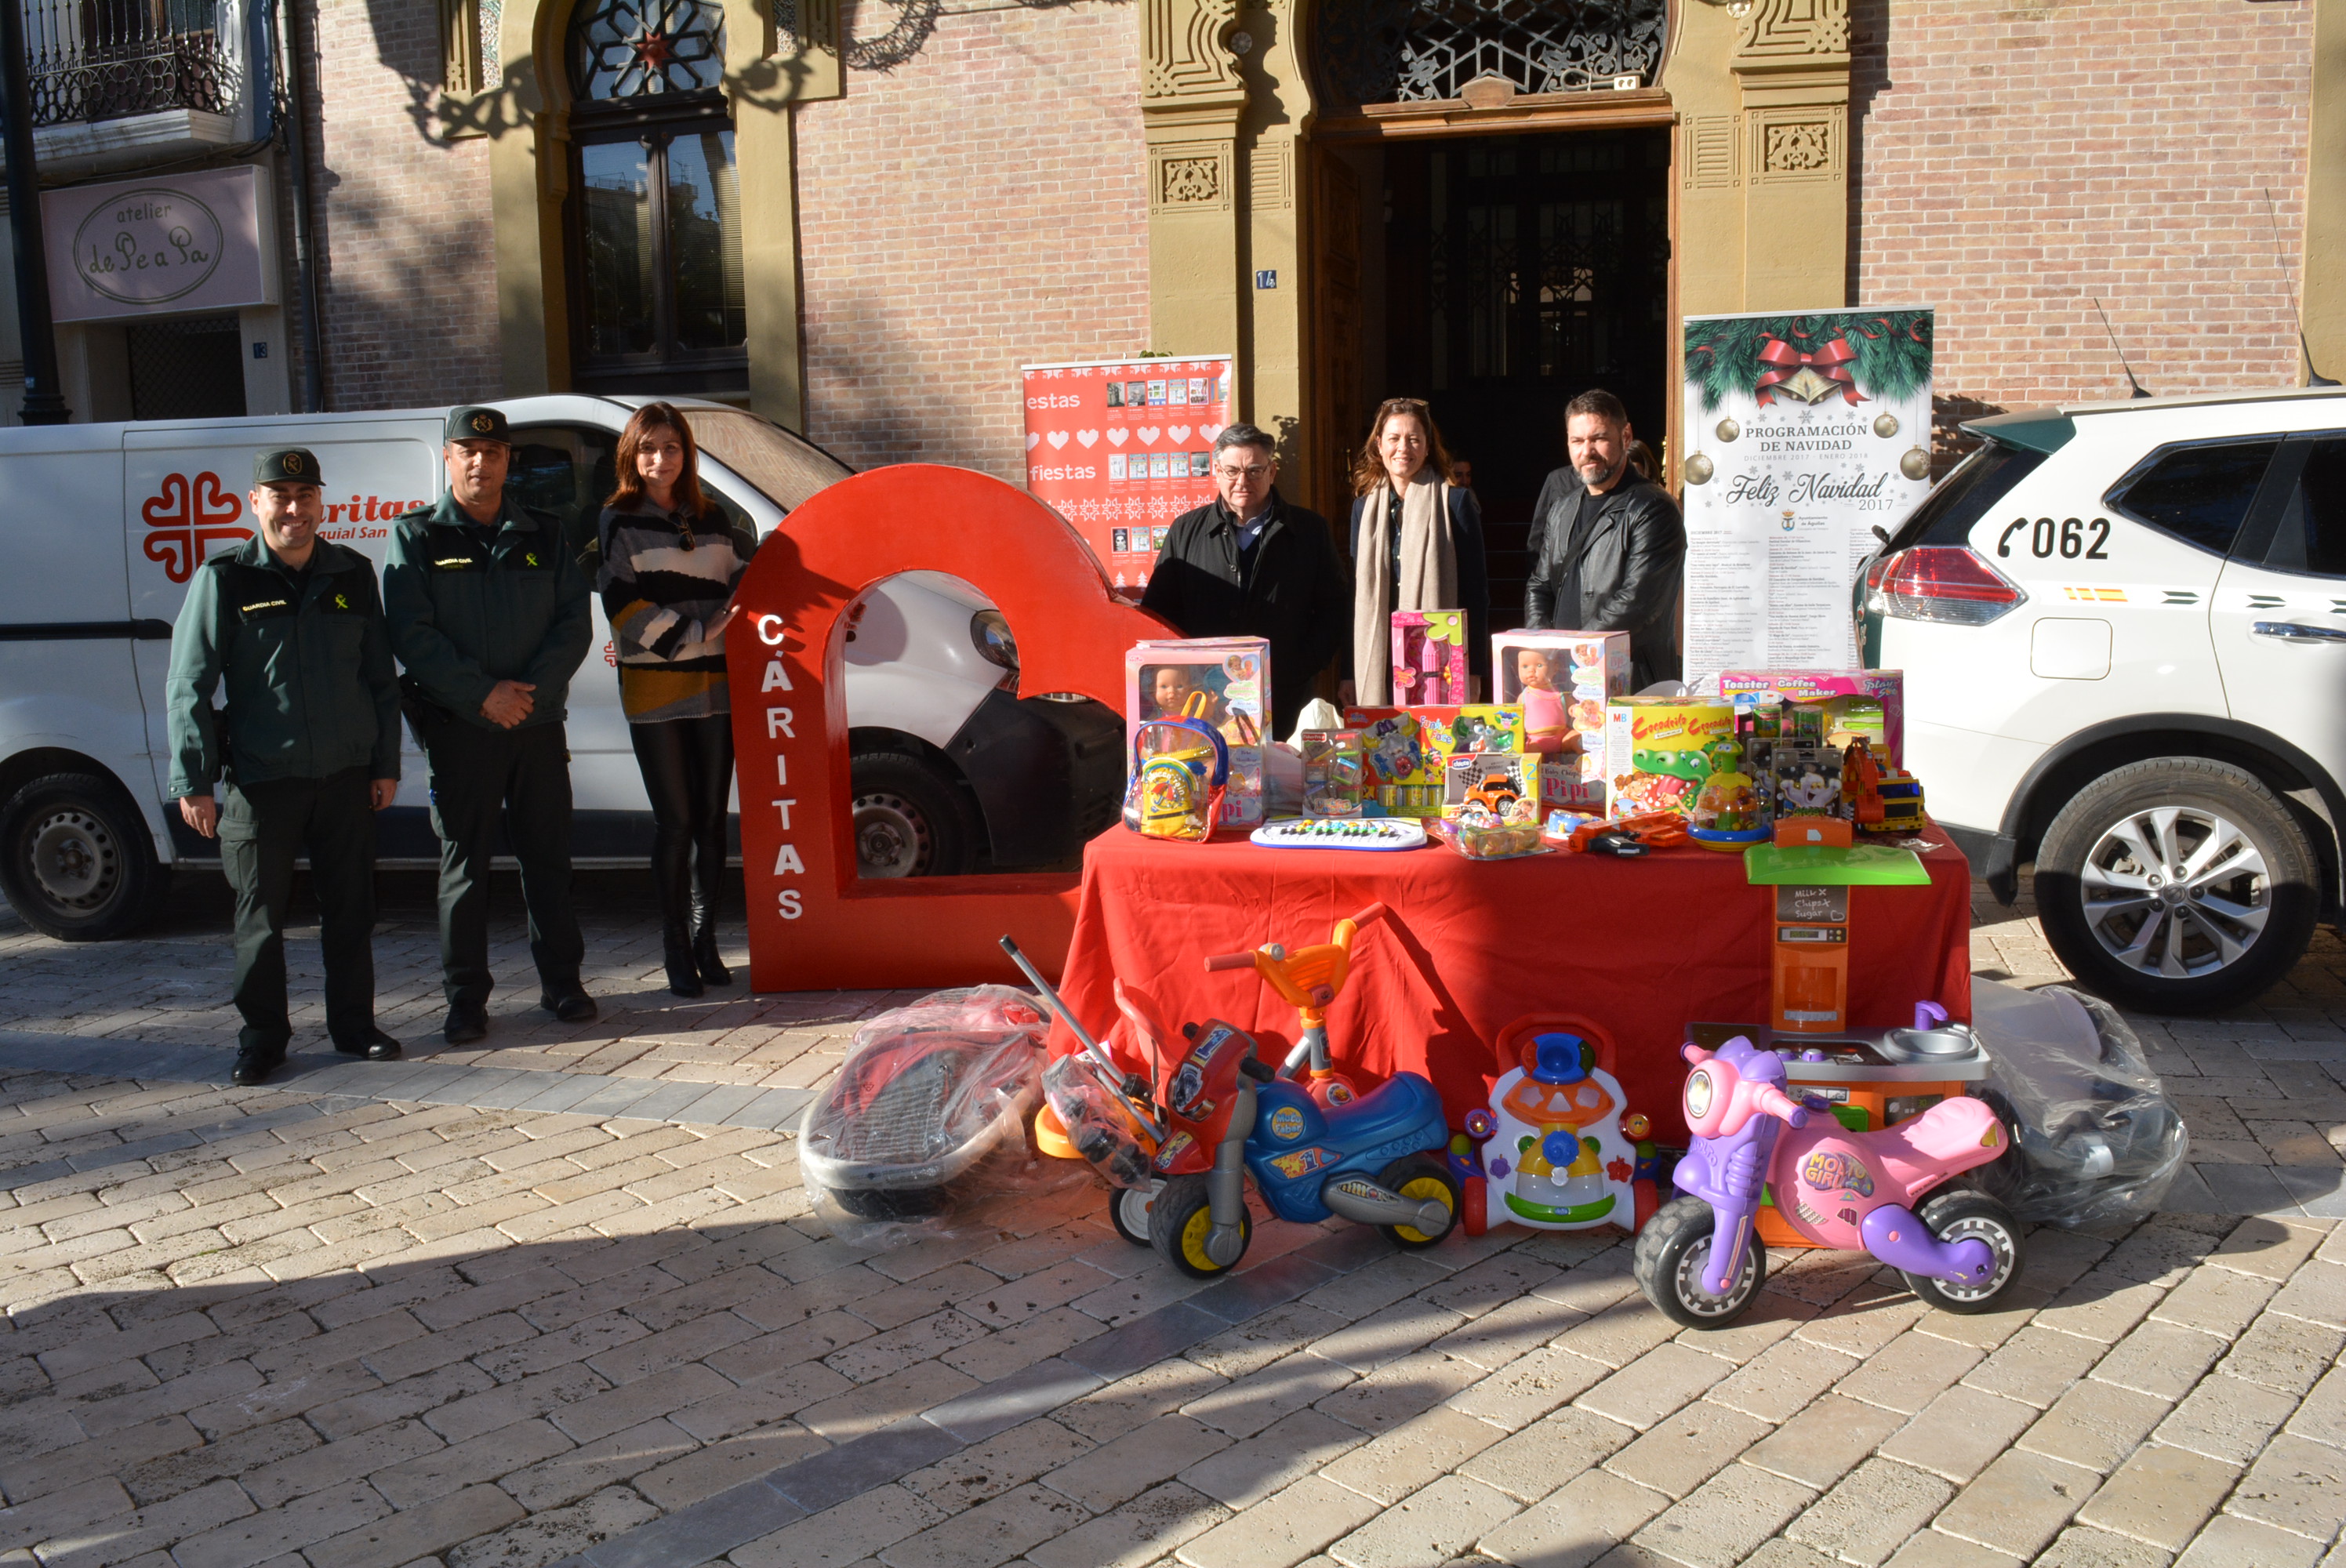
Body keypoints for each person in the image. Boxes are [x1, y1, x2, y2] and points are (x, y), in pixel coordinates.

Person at [165, 449, 403, 1085]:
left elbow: (380, 679)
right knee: (261, 919)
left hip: (345, 776)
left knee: (352, 910)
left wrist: (385, 763)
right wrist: (193, 780)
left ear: (321, 502)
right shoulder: (225, 580)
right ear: (256, 503)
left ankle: (355, 1027)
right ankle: (262, 1039)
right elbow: (189, 685)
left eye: (305, 495)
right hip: (261, 782)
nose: (294, 509)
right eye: (280, 495)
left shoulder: (353, 574)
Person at [385, 407, 596, 1044]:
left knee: (548, 861)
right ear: (448, 458)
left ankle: (563, 983)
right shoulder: (417, 536)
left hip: (535, 725)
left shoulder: (545, 533)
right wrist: (484, 696)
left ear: (508, 461)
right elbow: (411, 634)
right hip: (460, 729)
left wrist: (525, 698)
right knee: (464, 868)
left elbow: (573, 624)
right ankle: (466, 1000)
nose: (481, 462)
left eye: (494, 452)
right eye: (468, 451)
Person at [596, 403, 755, 998]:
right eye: (647, 449)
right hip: (657, 690)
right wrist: (696, 633)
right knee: (678, 822)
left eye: (670, 447)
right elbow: (621, 605)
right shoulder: (617, 518)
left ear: (686, 453)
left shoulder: (713, 518)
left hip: (717, 689)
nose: (659, 459)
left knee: (714, 821)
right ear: (631, 458)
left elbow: (748, 578)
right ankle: (673, 949)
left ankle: (705, 940)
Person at [1140, 424, 1348, 734]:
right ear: (1217, 471)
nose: (1242, 481)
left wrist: (1302, 665)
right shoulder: (1185, 531)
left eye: (1254, 470)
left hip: (1285, 694)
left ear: (1272, 471)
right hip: (1204, 698)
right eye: (1232, 470)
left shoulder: (1309, 531)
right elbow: (1159, 614)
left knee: (1283, 777)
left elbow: (1335, 607)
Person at [1523, 390, 1687, 689]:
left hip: (1629, 677)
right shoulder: (1563, 508)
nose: (1587, 451)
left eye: (1598, 438)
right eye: (1577, 441)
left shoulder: (1653, 507)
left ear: (1626, 437)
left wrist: (1575, 651)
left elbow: (1637, 601)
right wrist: (1542, 643)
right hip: (1566, 676)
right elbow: (1540, 584)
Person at [1346, 397, 1489, 706]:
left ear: (1427, 447)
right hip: (1379, 652)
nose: (1403, 448)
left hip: (1438, 654)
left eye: (1414, 440)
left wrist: (1474, 670)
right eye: (1394, 439)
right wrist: (1348, 671)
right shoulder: (1363, 509)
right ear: (1379, 446)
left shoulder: (1455, 502)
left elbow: (1476, 592)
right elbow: (1357, 593)